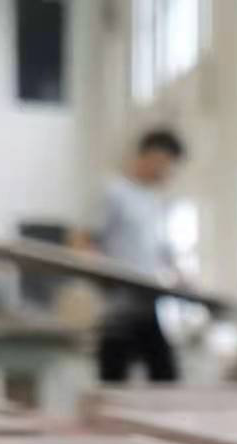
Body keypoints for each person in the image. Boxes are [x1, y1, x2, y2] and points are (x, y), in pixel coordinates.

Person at [77, 128, 187, 384]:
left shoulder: (154, 200)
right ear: (151, 156)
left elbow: (161, 250)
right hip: (117, 304)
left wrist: (181, 276)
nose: (167, 172)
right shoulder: (113, 192)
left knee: (165, 375)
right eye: (166, 164)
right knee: (114, 379)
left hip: (147, 300)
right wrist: (97, 274)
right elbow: (82, 239)